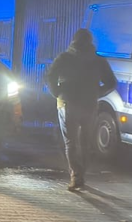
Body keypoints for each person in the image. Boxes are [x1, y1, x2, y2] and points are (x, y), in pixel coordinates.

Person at [48, 28, 118, 191]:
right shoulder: (98, 61)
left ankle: (76, 176)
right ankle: (81, 175)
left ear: (74, 40)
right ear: (90, 42)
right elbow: (112, 82)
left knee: (70, 142)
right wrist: (97, 93)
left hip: (67, 103)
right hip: (89, 104)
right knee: (86, 142)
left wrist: (57, 92)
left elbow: (50, 76)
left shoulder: (64, 58)